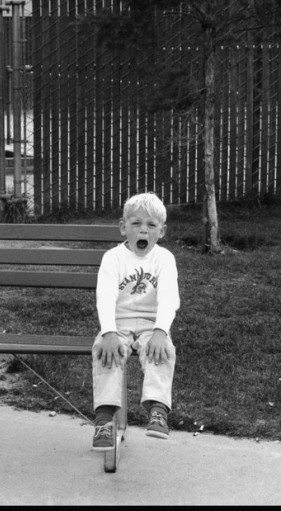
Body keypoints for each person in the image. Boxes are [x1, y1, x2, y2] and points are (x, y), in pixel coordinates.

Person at [91, 192, 179, 450]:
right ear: (123, 227)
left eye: (151, 225)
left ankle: (158, 409)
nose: (143, 230)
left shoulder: (165, 259)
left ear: (161, 231)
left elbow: (169, 298)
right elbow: (105, 297)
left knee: (162, 351)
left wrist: (161, 332)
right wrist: (107, 333)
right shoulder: (113, 258)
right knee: (106, 353)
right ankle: (105, 420)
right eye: (136, 224)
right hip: (118, 322)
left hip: (152, 323)